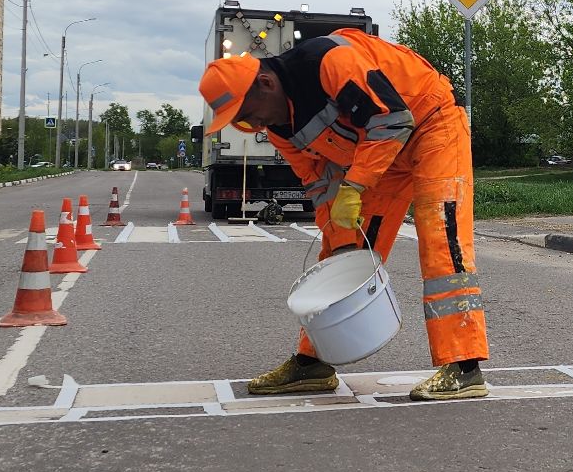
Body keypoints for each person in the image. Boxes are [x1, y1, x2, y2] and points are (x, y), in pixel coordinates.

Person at [198, 28, 490, 401]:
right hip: (379, 153)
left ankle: (465, 367)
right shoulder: (278, 127)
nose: (252, 126)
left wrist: (355, 187)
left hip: (431, 125)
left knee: (441, 236)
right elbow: (317, 182)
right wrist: (335, 228)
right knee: (343, 248)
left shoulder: (329, 62)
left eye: (248, 114)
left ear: (267, 83)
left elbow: (392, 119)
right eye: (240, 122)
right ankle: (314, 362)